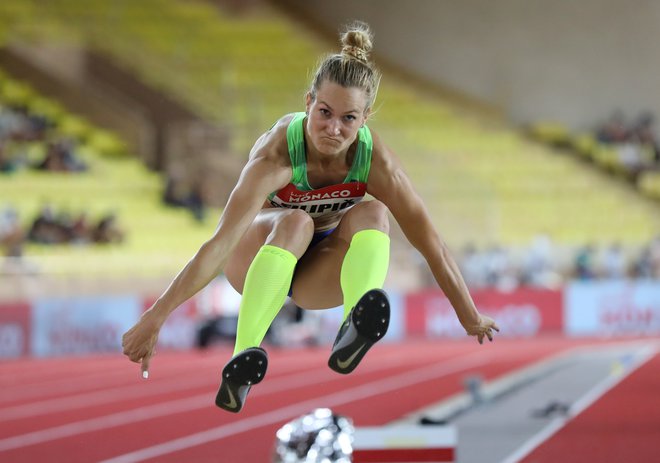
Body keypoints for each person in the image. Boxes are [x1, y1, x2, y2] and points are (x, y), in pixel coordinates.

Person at [121, 21, 499, 413]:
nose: (333, 129)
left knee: (374, 212)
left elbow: (431, 244)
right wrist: (156, 316)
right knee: (295, 221)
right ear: (307, 103)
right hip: (254, 260)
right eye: (324, 113)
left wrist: (469, 316)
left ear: (365, 119)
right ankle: (242, 358)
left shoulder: (375, 162)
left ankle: (353, 324)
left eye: (348, 119)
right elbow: (220, 245)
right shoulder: (278, 154)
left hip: (314, 274)